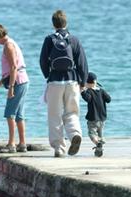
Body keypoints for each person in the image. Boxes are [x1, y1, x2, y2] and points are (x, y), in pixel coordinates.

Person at [39, 10, 88, 157]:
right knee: (71, 112)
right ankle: (74, 135)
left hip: (55, 81)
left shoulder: (49, 39)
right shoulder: (74, 40)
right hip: (72, 81)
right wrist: (83, 81)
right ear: (66, 23)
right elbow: (82, 62)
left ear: (53, 24)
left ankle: (59, 148)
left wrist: (48, 74)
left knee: (54, 115)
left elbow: (42, 61)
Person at [0, 24, 29, 153]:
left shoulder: (8, 46)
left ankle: (11, 144)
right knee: (19, 115)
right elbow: (9, 71)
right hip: (22, 81)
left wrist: (11, 88)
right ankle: (22, 144)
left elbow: (13, 68)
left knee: (9, 113)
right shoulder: (10, 43)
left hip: (17, 82)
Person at [81, 72, 111, 157]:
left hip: (93, 118)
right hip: (102, 119)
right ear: (95, 82)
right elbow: (109, 99)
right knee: (100, 133)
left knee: (92, 134)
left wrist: (82, 91)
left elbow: (88, 99)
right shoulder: (101, 91)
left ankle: (98, 143)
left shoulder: (89, 91)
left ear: (87, 83)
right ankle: (99, 147)